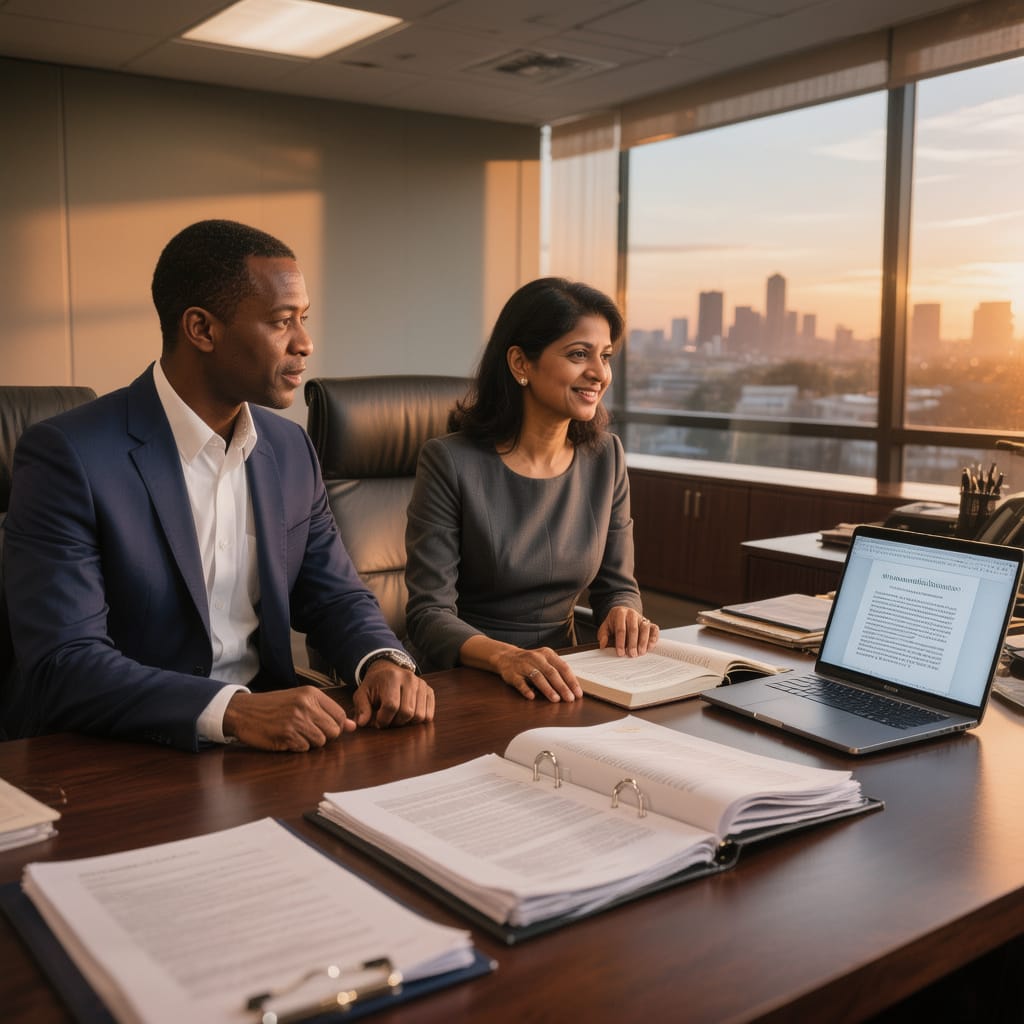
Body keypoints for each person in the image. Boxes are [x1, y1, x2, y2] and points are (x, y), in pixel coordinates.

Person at [1, 219, 434, 752]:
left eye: (304, 318)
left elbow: (334, 595)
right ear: (202, 330)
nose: (305, 342)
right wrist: (232, 711)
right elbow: (64, 662)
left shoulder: (290, 449)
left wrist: (382, 658)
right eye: (281, 322)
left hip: (269, 745)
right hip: (119, 750)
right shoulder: (69, 456)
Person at [404, 277, 657, 703]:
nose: (599, 373)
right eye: (579, 354)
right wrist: (507, 657)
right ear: (521, 363)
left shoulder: (606, 457)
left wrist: (623, 611)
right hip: (469, 678)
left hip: (567, 677)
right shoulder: (449, 461)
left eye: (606, 356)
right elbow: (428, 615)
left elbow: (617, 584)